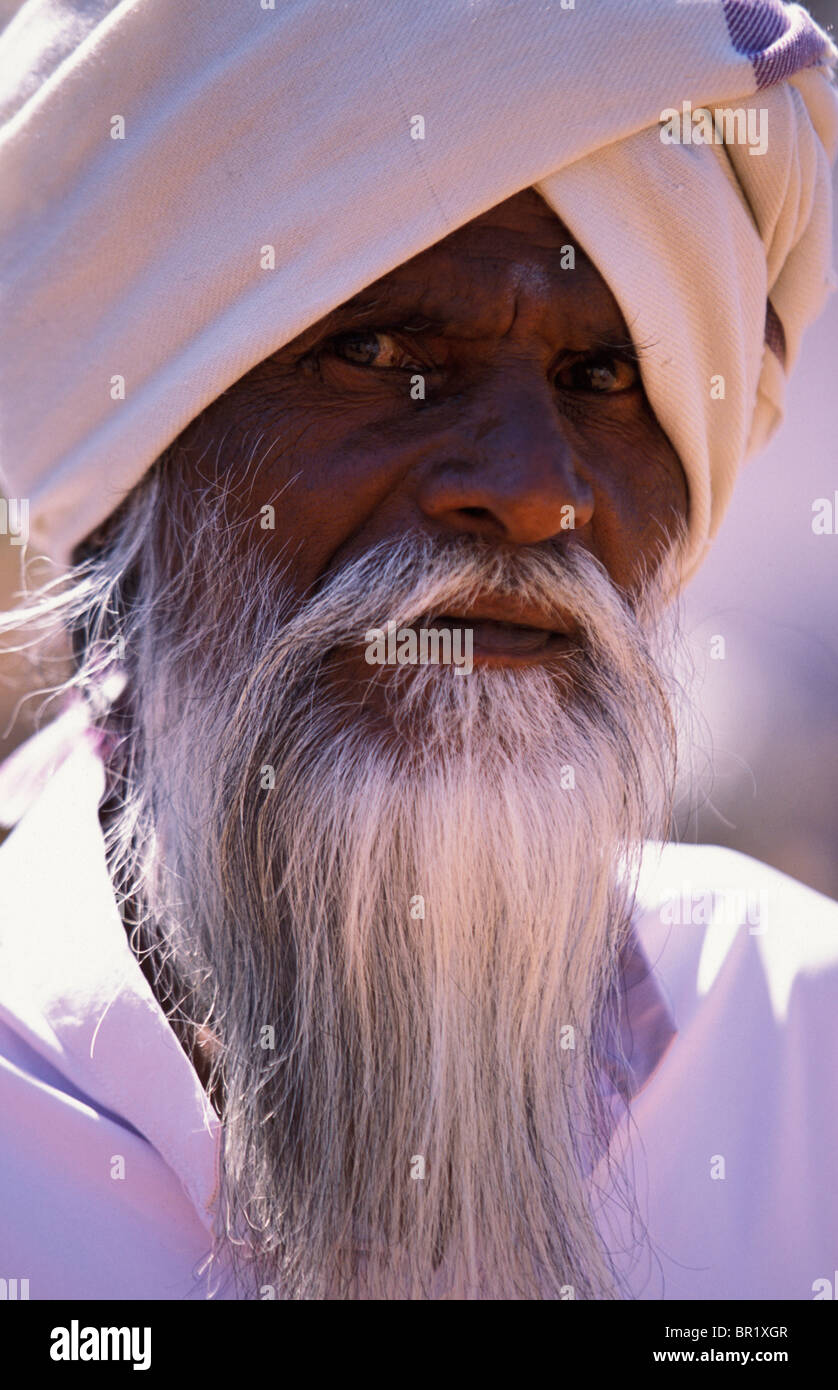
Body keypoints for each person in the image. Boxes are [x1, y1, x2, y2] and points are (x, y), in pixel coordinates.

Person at [0, 0, 836, 1301]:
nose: (526, 491)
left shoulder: (797, 1047)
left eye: (605, 376)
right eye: (380, 353)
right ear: (129, 466)